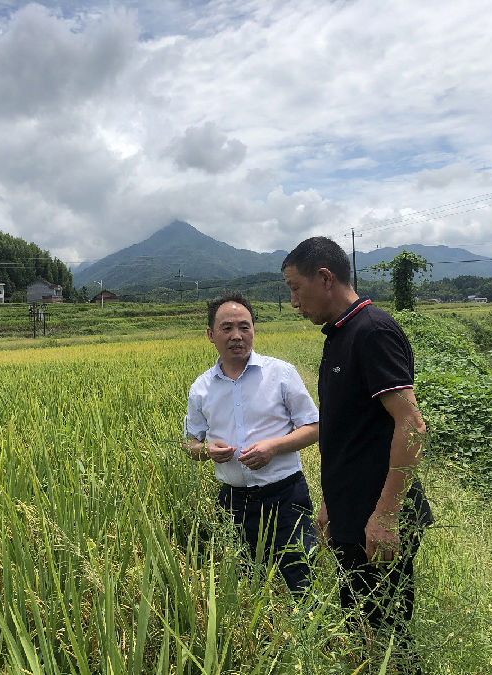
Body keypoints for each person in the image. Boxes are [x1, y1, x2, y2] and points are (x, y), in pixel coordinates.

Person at [281, 237, 433, 665]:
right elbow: (347, 432)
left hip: (376, 516)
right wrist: (331, 503)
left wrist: (385, 515)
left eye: (295, 288)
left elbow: (412, 425)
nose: (293, 301)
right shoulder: (340, 334)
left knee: (389, 638)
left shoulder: (372, 331)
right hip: (354, 514)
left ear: (325, 278)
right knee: (361, 627)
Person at [185, 292, 319, 594]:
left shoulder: (281, 374)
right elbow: (190, 443)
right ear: (210, 335)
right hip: (233, 503)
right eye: (227, 328)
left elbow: (314, 427)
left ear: (254, 330)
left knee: (299, 582)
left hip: (285, 496)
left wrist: (274, 447)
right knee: (246, 585)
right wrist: (205, 451)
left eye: (244, 327)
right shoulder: (201, 388)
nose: (237, 336)